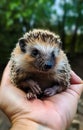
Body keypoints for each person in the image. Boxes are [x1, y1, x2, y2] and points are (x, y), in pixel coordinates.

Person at [0, 62, 83, 130]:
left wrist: (55, 89)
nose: (46, 62)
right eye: (35, 53)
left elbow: (63, 84)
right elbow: (18, 81)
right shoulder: (22, 68)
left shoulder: (60, 70)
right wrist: (28, 83)